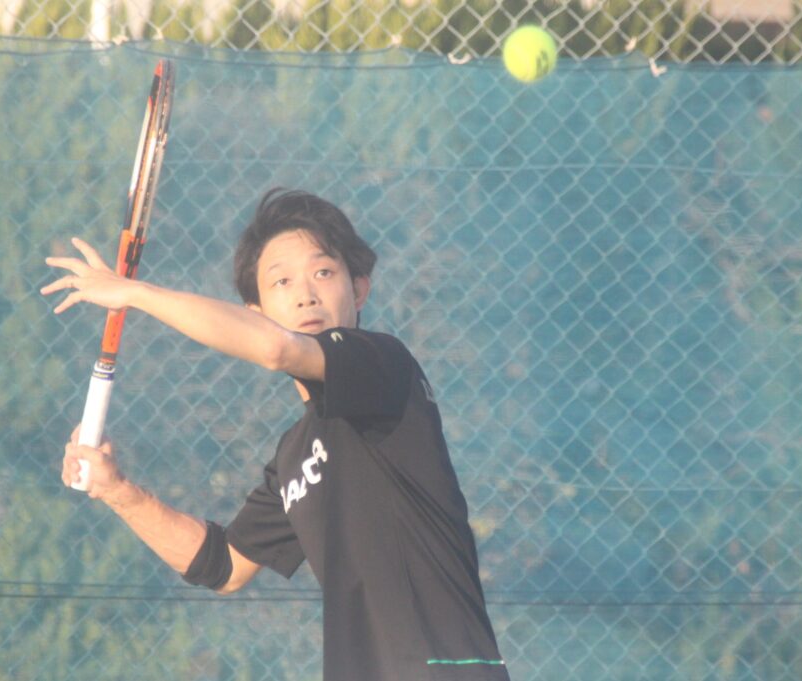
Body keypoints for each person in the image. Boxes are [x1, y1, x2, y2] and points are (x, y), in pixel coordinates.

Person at [42, 188, 511, 681]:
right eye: (282, 281)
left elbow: (277, 350)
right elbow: (223, 567)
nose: (306, 293)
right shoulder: (295, 455)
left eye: (323, 273)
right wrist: (116, 490)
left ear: (360, 290)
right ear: (256, 311)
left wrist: (134, 294)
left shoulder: (383, 365)